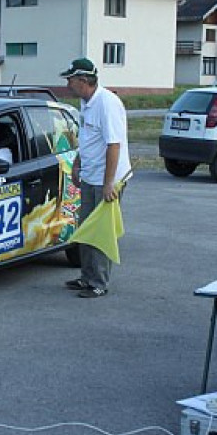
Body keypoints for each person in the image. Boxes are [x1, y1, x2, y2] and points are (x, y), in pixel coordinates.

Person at [60, 57, 131, 298]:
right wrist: (77, 165)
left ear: (83, 81)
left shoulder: (107, 103)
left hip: (106, 180)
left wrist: (109, 183)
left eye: (70, 79)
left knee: (100, 233)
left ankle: (98, 282)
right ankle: (86, 277)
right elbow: (88, 139)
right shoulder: (86, 102)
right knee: (86, 229)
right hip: (91, 176)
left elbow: (114, 145)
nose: (68, 84)